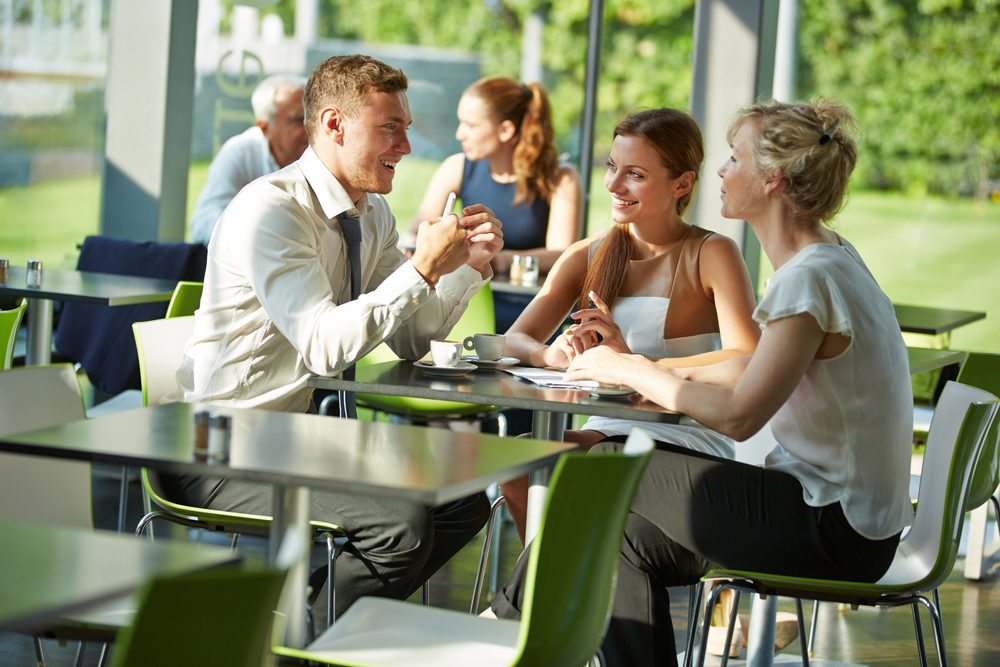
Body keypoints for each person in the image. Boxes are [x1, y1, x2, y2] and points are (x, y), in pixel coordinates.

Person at [489, 99, 915, 667]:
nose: (720, 170)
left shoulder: (809, 279)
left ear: (772, 179)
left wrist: (632, 368)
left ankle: (503, 621)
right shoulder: (831, 261)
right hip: (834, 513)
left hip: (835, 525)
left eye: (734, 158)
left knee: (598, 466)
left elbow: (741, 415)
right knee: (611, 537)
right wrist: (631, 366)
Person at [164, 55, 503, 627]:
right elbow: (322, 345)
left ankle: (299, 625)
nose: (406, 146)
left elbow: (413, 339)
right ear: (334, 124)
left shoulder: (370, 215)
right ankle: (302, 646)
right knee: (400, 523)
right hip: (216, 444)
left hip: (297, 437)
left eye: (406, 128)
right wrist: (420, 269)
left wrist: (467, 267)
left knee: (460, 501)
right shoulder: (272, 210)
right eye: (389, 128)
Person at [499, 108, 760, 543]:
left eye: (635, 174)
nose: (614, 186)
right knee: (519, 461)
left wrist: (634, 364)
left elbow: (747, 358)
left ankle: (543, 598)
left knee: (536, 465)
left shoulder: (711, 253)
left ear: (682, 183)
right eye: (612, 167)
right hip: (603, 431)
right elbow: (514, 339)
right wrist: (548, 354)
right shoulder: (589, 254)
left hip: (681, 436)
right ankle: (544, 595)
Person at [402, 76, 581, 334]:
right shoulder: (456, 167)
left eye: (470, 125)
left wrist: (497, 259)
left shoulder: (560, 178)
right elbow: (414, 233)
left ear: (505, 130)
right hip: (468, 300)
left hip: (532, 309)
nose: (459, 133)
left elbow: (562, 254)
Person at [188, 74, 309, 245]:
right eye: (298, 120)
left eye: (314, 118)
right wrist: (255, 242)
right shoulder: (240, 153)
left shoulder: (327, 153)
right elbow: (204, 221)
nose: (311, 128)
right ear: (265, 128)